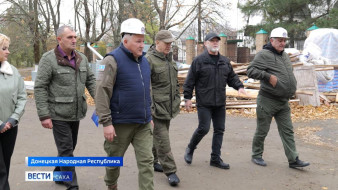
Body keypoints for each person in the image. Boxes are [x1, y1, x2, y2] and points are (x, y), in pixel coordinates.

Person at [34, 25, 96, 190]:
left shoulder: (81, 58)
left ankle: (58, 174)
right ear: (59, 39)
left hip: (76, 113)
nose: (74, 40)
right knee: (67, 149)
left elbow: (91, 81)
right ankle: (72, 185)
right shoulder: (48, 59)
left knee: (69, 146)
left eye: (75, 37)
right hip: (58, 114)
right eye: (70, 37)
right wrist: (44, 115)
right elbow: (40, 87)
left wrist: (102, 103)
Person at [95, 18, 153, 190]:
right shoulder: (110, 61)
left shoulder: (145, 61)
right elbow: (101, 92)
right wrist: (106, 123)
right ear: (125, 40)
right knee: (114, 161)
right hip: (119, 124)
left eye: (143, 41)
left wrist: (149, 115)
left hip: (143, 124)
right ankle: (111, 184)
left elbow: (147, 90)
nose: (142, 45)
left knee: (147, 162)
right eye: (138, 41)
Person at [247, 27, 309, 168]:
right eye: (279, 40)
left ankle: (293, 159)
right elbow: (250, 71)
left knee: (288, 131)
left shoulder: (285, 55)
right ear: (271, 40)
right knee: (262, 130)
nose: (282, 43)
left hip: (283, 101)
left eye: (284, 41)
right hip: (267, 100)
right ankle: (256, 155)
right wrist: (268, 77)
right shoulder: (264, 54)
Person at [183, 32, 246, 170]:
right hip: (204, 102)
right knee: (204, 128)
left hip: (219, 103)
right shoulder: (198, 61)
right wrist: (187, 98)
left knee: (219, 130)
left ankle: (215, 159)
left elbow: (232, 77)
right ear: (205, 44)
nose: (215, 43)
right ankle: (190, 148)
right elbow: (189, 81)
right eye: (212, 41)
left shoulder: (224, 61)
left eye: (217, 41)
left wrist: (239, 86)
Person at [145, 30, 181, 186]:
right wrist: (149, 108)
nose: (169, 46)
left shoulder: (169, 59)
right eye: (166, 43)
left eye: (170, 43)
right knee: (163, 140)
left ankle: (153, 162)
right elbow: (145, 87)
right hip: (156, 108)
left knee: (158, 138)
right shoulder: (148, 60)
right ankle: (171, 171)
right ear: (157, 42)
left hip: (169, 107)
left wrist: (178, 98)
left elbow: (175, 82)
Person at [0, 33, 27, 190]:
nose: (8, 52)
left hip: (10, 128)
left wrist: (12, 120)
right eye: (4, 48)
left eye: (8, 48)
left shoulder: (13, 71)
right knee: (0, 169)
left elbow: (22, 97)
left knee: (5, 165)